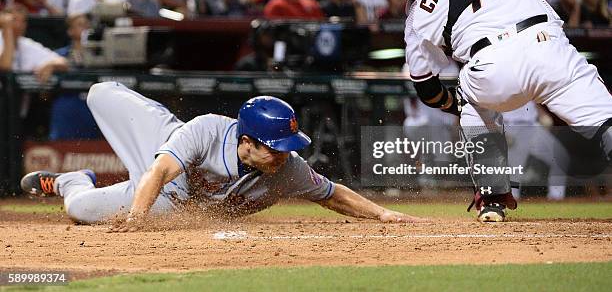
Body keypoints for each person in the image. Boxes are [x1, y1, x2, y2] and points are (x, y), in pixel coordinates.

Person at [377, 0, 612, 222]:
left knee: (473, 107)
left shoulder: (417, 14)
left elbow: (427, 89)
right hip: (548, 47)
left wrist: (459, 105)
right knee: (605, 121)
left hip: (490, 68)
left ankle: (492, 200)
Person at [20, 85, 424, 228]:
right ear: (247, 141)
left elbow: (333, 194)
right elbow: (161, 170)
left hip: (169, 203)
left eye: (287, 148)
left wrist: (385, 214)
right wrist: (136, 218)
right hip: (164, 155)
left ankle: (73, 181)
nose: (284, 156)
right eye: (275, 147)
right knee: (98, 93)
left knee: (78, 209)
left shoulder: (287, 169)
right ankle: (153, 143)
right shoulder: (208, 129)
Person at [0, 5, 68, 83]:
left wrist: (51, 65)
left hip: (21, 93)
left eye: (23, 21)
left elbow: (63, 62)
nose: (19, 25)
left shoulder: (26, 43)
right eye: (14, 20)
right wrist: (7, 29)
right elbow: (5, 67)